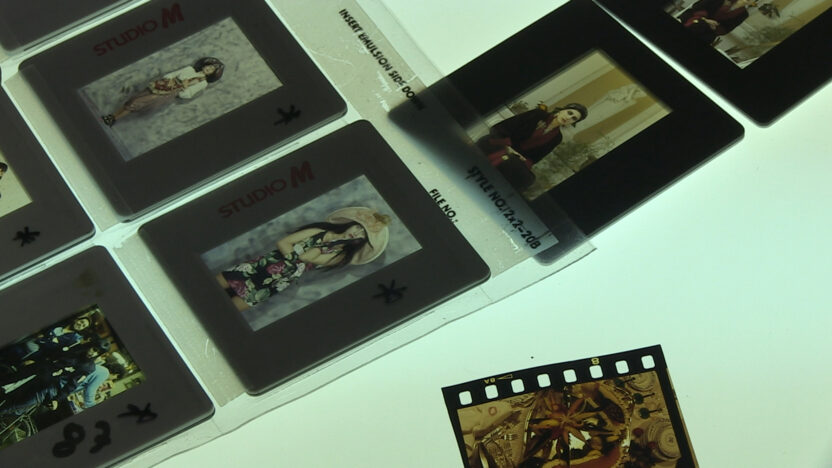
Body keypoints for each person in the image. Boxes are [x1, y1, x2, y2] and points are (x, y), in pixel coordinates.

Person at [216, 207, 391, 311]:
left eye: (362, 235)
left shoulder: (341, 256)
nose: (356, 233)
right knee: (213, 289)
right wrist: (297, 258)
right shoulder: (320, 231)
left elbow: (308, 256)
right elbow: (283, 242)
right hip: (259, 265)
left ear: (360, 242)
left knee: (230, 309)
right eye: (358, 228)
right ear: (351, 223)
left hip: (278, 280)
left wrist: (333, 244)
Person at [101, 57, 224, 127]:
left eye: (212, 69)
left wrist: (182, 87)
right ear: (204, 65)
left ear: (212, 73)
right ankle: (113, 116)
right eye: (208, 66)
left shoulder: (202, 83)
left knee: (138, 103)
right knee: (134, 99)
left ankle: (114, 118)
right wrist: (167, 81)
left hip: (168, 94)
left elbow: (187, 95)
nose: (208, 69)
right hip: (162, 85)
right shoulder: (189, 69)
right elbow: (172, 74)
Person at [680, 0, 756, 43]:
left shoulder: (743, 14)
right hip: (694, 17)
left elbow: (726, 29)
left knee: (707, 36)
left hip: (710, 30)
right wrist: (705, 20)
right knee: (699, 24)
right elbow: (698, 6)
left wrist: (714, 26)